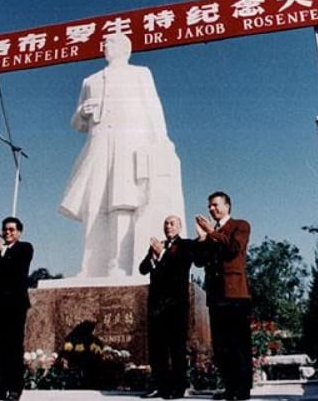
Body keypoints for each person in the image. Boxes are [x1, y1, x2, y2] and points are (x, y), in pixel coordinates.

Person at [59, 32, 185, 277]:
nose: (105, 46)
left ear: (125, 49)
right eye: (105, 43)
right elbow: (76, 122)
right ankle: (88, 268)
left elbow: (153, 107)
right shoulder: (90, 81)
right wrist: (84, 112)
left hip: (129, 144)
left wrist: (162, 139)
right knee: (94, 205)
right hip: (98, 145)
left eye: (110, 43)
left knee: (122, 204)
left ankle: (118, 264)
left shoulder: (140, 73)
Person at [194, 191, 253, 401]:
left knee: (239, 344)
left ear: (227, 206)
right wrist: (202, 240)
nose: (212, 209)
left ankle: (243, 390)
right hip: (216, 294)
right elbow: (199, 261)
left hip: (235, 293)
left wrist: (212, 232)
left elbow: (234, 249)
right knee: (222, 346)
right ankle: (230, 388)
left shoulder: (240, 225)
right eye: (209, 206)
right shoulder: (211, 234)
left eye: (215, 205)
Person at [138, 215, 195, 400]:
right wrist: (154, 257)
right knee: (157, 348)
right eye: (166, 224)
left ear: (179, 227)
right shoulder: (157, 245)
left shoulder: (185, 245)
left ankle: (178, 387)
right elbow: (143, 268)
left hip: (176, 305)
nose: (168, 227)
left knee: (176, 347)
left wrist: (162, 254)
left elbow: (180, 267)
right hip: (157, 305)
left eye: (172, 224)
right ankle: (160, 386)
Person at [0, 217, 34, 401]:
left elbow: (18, 268)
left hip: (15, 307)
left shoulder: (25, 248)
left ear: (19, 232)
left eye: (11, 230)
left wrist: (1, 248)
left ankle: (14, 390)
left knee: (13, 348)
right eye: (5, 230)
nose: (7, 233)